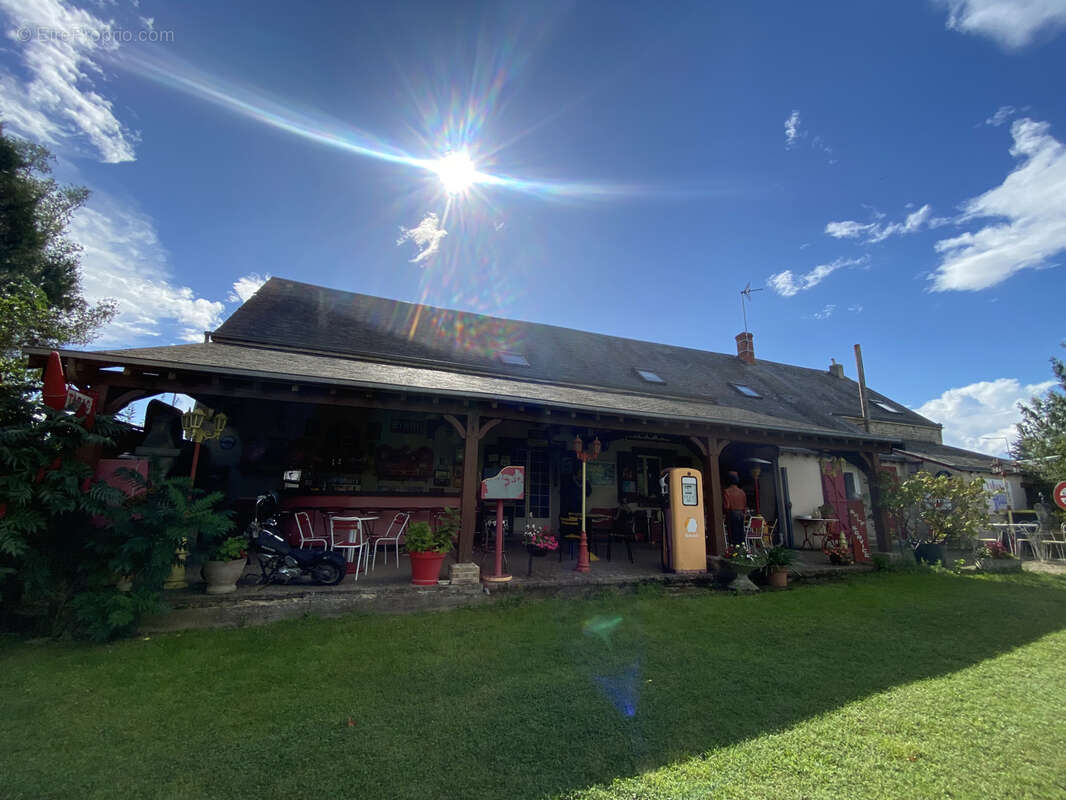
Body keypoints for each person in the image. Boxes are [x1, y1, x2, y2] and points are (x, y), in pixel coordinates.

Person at [723, 471, 748, 546]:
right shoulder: (742, 492)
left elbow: (726, 506)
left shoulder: (726, 491)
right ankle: (742, 550)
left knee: (732, 535)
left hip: (731, 514)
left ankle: (734, 550)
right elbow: (745, 506)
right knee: (740, 534)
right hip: (741, 514)